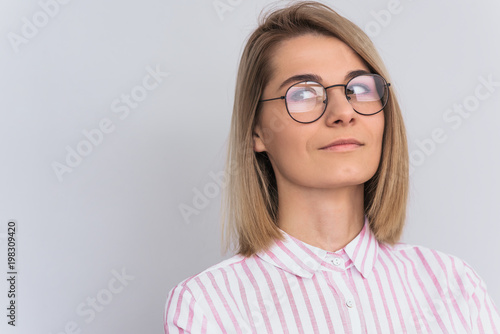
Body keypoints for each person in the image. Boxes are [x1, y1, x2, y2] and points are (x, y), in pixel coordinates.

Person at [164, 1, 500, 333]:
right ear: (257, 131)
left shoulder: (454, 286)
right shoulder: (208, 306)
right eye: (304, 93)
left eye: (359, 89)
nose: (343, 111)